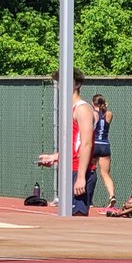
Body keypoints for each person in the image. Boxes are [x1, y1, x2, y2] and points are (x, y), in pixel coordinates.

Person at [38, 67, 97, 216]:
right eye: (59, 81)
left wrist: (81, 177)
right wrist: (55, 157)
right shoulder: (69, 109)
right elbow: (74, 145)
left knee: (77, 221)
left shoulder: (82, 108)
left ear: (76, 84)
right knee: (66, 221)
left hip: (79, 171)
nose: (60, 85)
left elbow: (86, 143)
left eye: (65, 81)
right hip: (69, 171)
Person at [91, 93, 116, 208]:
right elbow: (105, 112)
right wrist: (105, 106)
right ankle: (112, 196)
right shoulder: (108, 114)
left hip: (94, 144)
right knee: (105, 174)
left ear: (93, 103)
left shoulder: (92, 114)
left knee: (90, 171)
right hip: (105, 145)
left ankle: (88, 199)